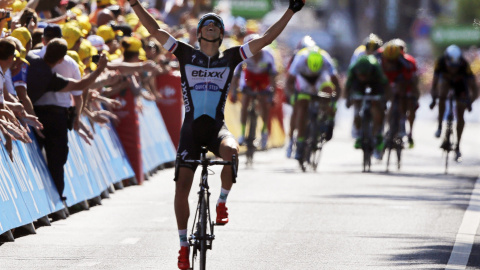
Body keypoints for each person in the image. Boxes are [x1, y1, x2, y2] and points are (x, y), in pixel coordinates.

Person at [128, 0, 305, 268]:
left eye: (216, 25)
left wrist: (290, 10)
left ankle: (221, 202)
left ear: (220, 34)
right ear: (199, 33)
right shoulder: (185, 54)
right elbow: (154, 29)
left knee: (232, 152)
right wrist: (134, 4)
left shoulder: (231, 56)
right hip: (190, 131)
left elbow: (267, 39)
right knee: (182, 186)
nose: (211, 27)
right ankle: (183, 246)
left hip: (216, 129)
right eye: (206, 25)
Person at [26, 38, 108, 201]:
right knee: (57, 158)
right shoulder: (49, 77)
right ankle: (56, 197)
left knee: (37, 156)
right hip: (51, 118)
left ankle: (42, 199)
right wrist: (99, 70)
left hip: (35, 115)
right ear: (61, 59)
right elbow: (79, 85)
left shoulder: (30, 59)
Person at [285, 45, 340, 162]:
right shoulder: (300, 59)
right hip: (303, 79)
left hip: (321, 78)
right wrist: (293, 98)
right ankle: (300, 142)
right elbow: (289, 83)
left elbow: (336, 83)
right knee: (301, 105)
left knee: (329, 93)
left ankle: (326, 121)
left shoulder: (325, 59)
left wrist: (333, 105)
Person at [429, 44, 478, 162]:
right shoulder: (440, 62)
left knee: (460, 113)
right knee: (442, 93)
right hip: (445, 81)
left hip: (460, 85)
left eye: (455, 67)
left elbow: (474, 88)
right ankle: (440, 125)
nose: (453, 70)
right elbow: (434, 85)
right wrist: (434, 98)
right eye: (451, 67)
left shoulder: (464, 65)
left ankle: (458, 145)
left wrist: (469, 102)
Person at [230, 33, 277, 150]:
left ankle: (264, 132)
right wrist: (234, 92)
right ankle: (242, 133)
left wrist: (272, 94)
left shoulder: (268, 55)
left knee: (263, 103)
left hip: (263, 78)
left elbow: (273, 77)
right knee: (245, 102)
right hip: (249, 78)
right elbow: (236, 76)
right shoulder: (243, 55)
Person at [345, 55, 389, 159]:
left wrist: (384, 100)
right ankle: (359, 133)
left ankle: (377, 133)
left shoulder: (376, 69)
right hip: (358, 85)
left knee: (377, 106)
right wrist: (348, 99)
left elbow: (385, 85)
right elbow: (348, 87)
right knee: (357, 102)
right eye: (361, 75)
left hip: (375, 84)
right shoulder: (353, 69)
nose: (363, 77)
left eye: (365, 75)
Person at [380, 40, 419, 148]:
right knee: (390, 105)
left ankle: (409, 131)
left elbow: (412, 81)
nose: (390, 63)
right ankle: (390, 127)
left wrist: (414, 96)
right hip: (390, 84)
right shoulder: (381, 61)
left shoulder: (408, 62)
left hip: (406, 84)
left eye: (393, 61)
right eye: (388, 61)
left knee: (409, 103)